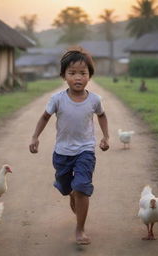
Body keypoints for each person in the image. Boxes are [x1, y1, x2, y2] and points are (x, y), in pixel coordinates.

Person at [29, 47, 109, 245]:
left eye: (83, 73)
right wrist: (35, 137)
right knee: (66, 188)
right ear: (64, 76)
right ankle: (72, 193)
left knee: (82, 186)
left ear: (89, 75)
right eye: (72, 73)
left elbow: (102, 115)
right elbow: (44, 117)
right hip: (62, 153)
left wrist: (106, 137)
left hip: (85, 151)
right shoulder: (57, 99)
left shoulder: (95, 100)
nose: (78, 78)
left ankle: (80, 229)